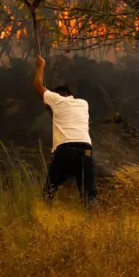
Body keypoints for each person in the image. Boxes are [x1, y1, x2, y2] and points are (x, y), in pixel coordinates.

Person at [33, 55, 96, 206]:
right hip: (86, 152)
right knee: (89, 197)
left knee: (48, 192)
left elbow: (37, 86)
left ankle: (45, 220)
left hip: (66, 151)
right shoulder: (83, 103)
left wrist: (41, 66)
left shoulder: (57, 100)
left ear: (58, 95)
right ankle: (94, 222)